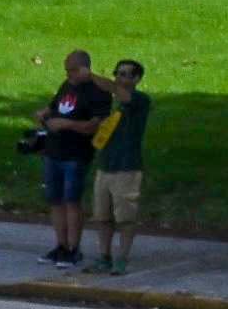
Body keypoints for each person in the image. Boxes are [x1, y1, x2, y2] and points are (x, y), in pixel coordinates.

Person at [35, 48, 111, 267]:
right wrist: (46, 114)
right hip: (54, 150)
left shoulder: (98, 92)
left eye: (74, 70)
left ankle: (73, 248)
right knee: (55, 200)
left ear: (86, 68)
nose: (69, 75)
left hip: (76, 154)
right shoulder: (67, 86)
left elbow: (94, 126)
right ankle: (60, 245)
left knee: (71, 201)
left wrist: (66, 124)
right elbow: (54, 106)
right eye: (67, 70)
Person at [89, 56, 151, 275]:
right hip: (105, 166)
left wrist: (90, 75)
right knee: (102, 216)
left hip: (127, 168)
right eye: (119, 73)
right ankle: (104, 257)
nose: (122, 78)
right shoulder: (112, 105)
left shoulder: (140, 100)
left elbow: (120, 92)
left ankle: (121, 259)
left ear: (137, 79)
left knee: (125, 218)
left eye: (127, 74)